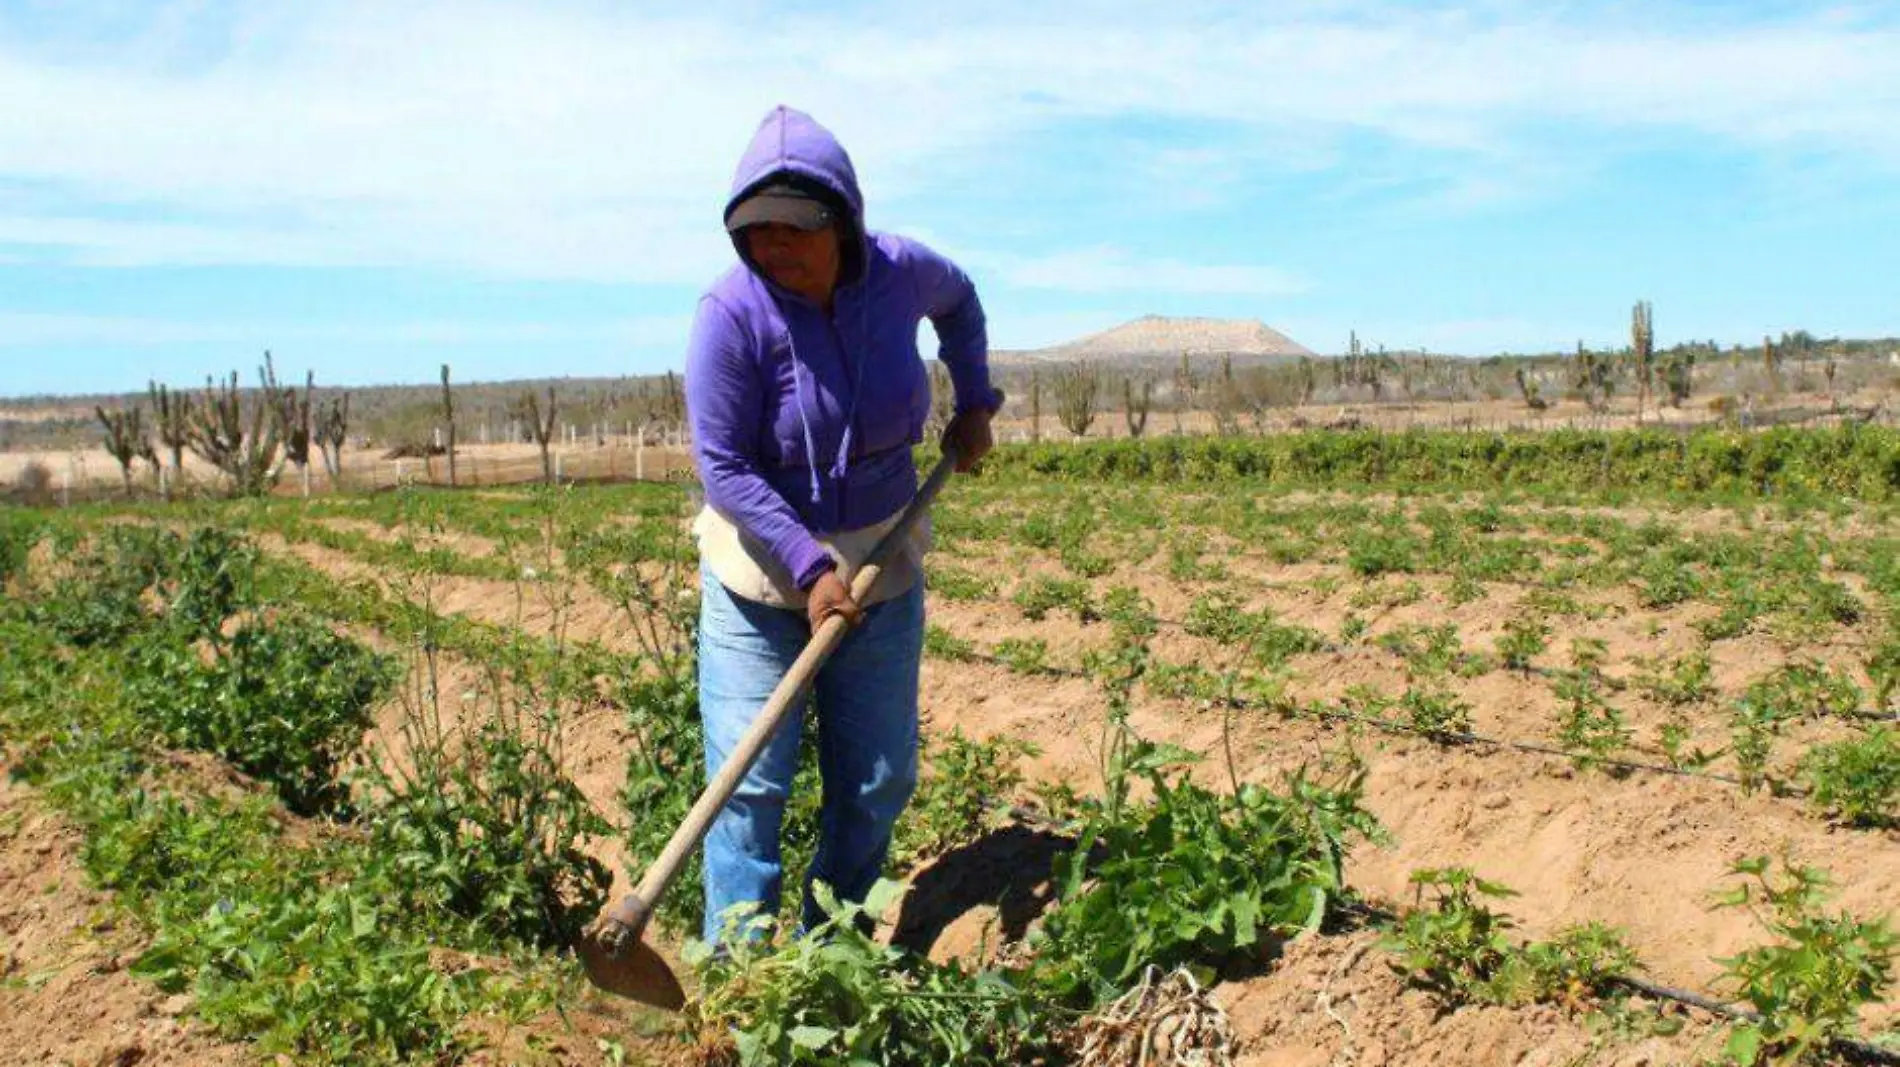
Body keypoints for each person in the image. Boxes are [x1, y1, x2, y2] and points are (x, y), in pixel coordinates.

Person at [684, 105, 999, 946]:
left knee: (874, 780)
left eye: (795, 230)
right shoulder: (730, 314)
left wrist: (976, 400)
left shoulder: (898, 272)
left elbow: (961, 303)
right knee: (747, 785)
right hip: (760, 572)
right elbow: (724, 466)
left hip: (881, 559)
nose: (773, 250)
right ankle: (742, 976)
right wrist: (805, 565)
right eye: (756, 233)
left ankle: (836, 956)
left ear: (843, 224)